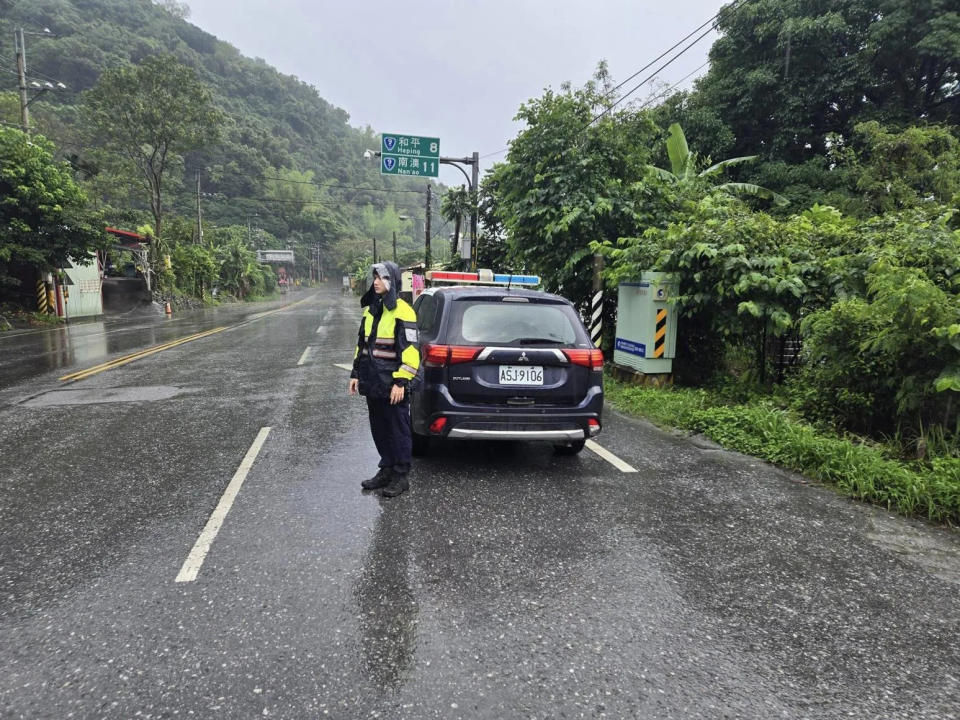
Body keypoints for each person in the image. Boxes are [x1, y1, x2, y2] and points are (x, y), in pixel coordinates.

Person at [348, 261, 420, 497]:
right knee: (379, 429)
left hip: (392, 386)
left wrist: (401, 381)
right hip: (372, 382)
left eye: (381, 278)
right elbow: (362, 345)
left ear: (393, 282)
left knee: (397, 430)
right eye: (375, 278)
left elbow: (410, 350)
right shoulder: (370, 310)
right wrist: (356, 373)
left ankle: (401, 476)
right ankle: (386, 468)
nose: (376, 282)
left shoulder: (403, 311)